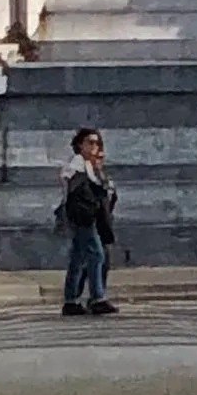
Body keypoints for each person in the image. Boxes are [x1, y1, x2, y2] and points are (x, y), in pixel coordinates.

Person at [58, 126, 118, 316]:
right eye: (90, 142)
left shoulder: (92, 167)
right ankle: (97, 298)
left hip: (88, 218)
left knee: (78, 257)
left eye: (97, 143)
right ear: (80, 145)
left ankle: (71, 300)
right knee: (97, 254)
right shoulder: (77, 166)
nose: (94, 146)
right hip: (84, 218)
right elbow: (78, 193)